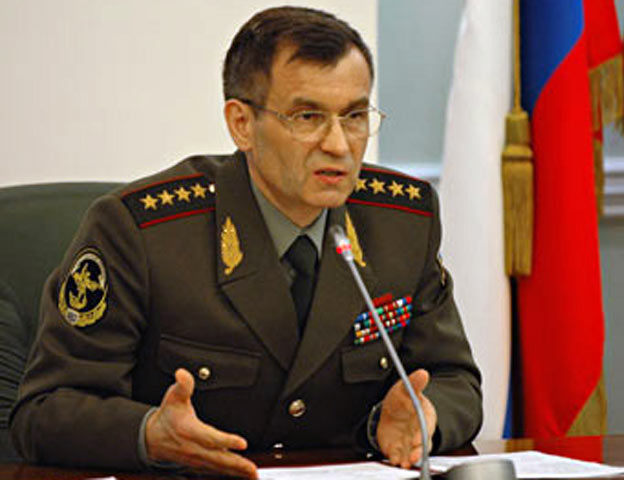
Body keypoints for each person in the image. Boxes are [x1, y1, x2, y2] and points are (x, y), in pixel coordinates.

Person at [10, 6, 481, 479]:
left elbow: (454, 379)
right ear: (241, 124)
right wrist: (149, 433)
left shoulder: (403, 221)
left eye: (355, 115)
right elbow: (44, 411)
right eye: (308, 116)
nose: (339, 144)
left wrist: (423, 417)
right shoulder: (141, 232)